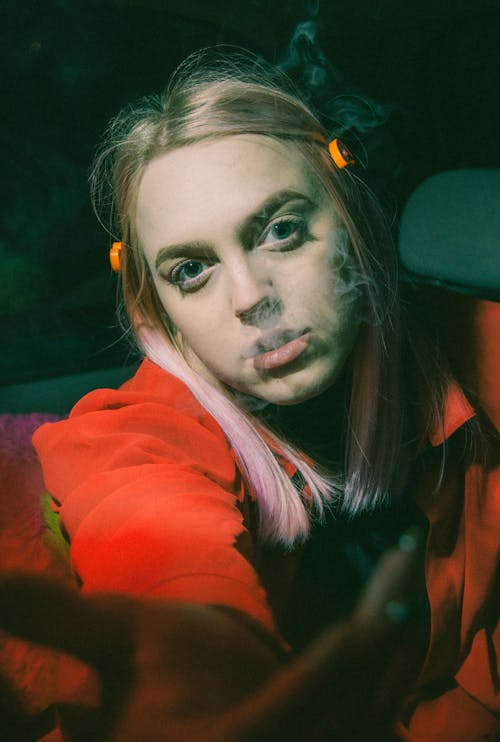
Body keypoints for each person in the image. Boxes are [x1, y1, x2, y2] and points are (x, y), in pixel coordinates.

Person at [0, 48, 498, 741]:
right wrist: (196, 662)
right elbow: (148, 529)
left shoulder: (476, 352)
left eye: (282, 230)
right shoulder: (138, 437)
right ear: (160, 307)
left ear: (349, 219)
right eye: (192, 269)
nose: (250, 298)